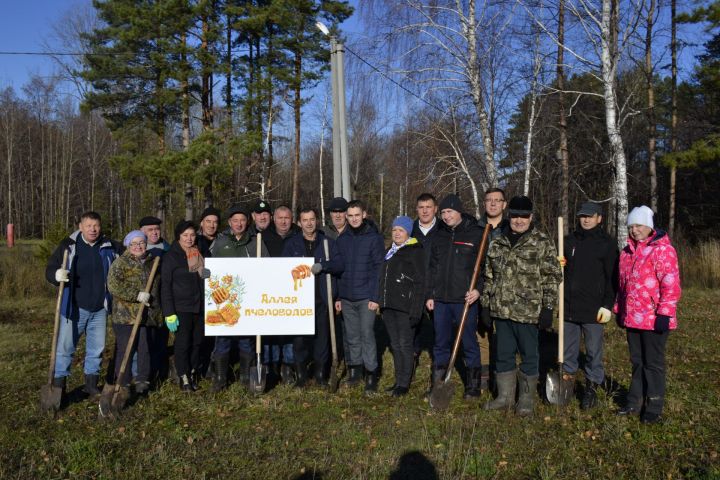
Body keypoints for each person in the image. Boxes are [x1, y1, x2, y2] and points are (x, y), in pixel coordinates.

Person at [481, 196, 562, 416]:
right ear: (510, 216)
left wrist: (547, 309)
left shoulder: (541, 242)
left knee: (529, 355)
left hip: (528, 313)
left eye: (523, 216)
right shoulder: (497, 241)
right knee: (503, 354)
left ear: (531, 217)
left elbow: (552, 277)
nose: (519, 220)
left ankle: (526, 399)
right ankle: (505, 397)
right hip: (502, 311)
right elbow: (489, 276)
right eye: (515, 216)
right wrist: (486, 306)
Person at [614, 206, 681, 424]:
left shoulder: (663, 250)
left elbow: (671, 285)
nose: (634, 230)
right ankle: (634, 402)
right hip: (633, 318)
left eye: (639, 226)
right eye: (631, 226)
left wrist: (665, 313)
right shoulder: (626, 252)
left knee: (653, 363)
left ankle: (654, 406)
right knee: (637, 362)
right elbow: (622, 286)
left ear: (649, 227)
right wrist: (619, 309)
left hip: (654, 319)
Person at [45, 211, 120, 399]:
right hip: (74, 308)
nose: (93, 230)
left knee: (96, 349)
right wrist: (56, 275)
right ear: (81, 227)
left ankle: (91, 385)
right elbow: (50, 268)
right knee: (65, 348)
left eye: (96, 226)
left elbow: (133, 254)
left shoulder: (109, 246)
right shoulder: (69, 245)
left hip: (99, 308)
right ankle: (59, 387)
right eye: (88, 226)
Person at [425, 194, 484, 400]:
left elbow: (485, 268)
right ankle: (439, 384)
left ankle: (473, 386)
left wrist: (478, 290)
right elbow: (432, 268)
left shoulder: (476, 234)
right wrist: (430, 294)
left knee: (469, 342)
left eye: (449, 212)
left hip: (464, 299)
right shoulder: (438, 235)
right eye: (442, 213)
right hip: (440, 299)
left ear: (459, 211)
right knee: (440, 343)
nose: (446, 216)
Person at [561, 202, 618, 409]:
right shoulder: (568, 241)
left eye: (590, 216)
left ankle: (591, 389)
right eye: (582, 216)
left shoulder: (607, 244)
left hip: (595, 309)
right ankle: (566, 387)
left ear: (599, 218)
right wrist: (558, 263)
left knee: (593, 351)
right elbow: (559, 272)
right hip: (569, 307)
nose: (585, 219)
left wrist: (607, 305)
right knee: (568, 351)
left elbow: (613, 278)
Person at [209, 203, 270, 392]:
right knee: (223, 339)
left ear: (247, 222)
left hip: (248, 298)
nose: (239, 224)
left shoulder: (255, 241)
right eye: (235, 220)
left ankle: (245, 376)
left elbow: (267, 266)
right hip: (224, 299)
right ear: (229, 223)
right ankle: (220, 378)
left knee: (246, 339)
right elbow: (211, 268)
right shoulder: (220, 242)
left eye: (242, 220)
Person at [282, 207, 344, 387]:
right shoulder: (292, 244)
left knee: (321, 339)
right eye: (305, 220)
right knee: (300, 340)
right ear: (299, 223)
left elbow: (339, 264)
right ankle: (301, 375)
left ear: (316, 221)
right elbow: (283, 269)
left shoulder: (327, 243)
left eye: (312, 219)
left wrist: (324, 265)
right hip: (299, 300)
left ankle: (320, 375)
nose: (309, 223)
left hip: (321, 299)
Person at [335, 200, 385, 394]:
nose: (354, 219)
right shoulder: (342, 239)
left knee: (367, 334)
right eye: (351, 215)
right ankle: (355, 372)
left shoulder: (374, 238)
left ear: (364, 214)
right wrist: (338, 297)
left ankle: (371, 373)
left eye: (357, 215)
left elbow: (378, 268)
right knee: (352, 336)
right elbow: (339, 270)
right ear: (347, 217)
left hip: (366, 297)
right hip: (347, 296)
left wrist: (375, 297)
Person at [106, 230, 162, 394]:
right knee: (126, 349)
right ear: (128, 245)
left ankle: (142, 380)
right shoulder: (121, 263)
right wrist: (136, 295)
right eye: (134, 243)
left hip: (146, 315)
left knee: (145, 348)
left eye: (141, 243)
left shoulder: (153, 261)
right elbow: (114, 286)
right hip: (125, 316)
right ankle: (122, 382)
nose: (138, 246)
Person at [378, 216, 426, 397]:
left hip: (405, 307)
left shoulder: (414, 251)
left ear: (408, 233)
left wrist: (416, 309)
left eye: (401, 230)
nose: (397, 233)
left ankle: (404, 383)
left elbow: (420, 282)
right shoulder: (389, 251)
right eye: (394, 230)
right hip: (388, 305)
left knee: (405, 344)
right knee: (395, 344)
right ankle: (398, 380)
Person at [161, 220, 210, 392]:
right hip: (181, 308)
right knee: (183, 343)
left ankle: (193, 371)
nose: (189, 239)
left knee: (198, 342)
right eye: (185, 235)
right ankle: (183, 376)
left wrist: (209, 273)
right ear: (178, 237)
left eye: (192, 235)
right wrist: (169, 312)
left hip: (199, 306)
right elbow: (165, 286)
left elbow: (206, 277)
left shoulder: (199, 253)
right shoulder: (170, 257)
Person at [476, 188, 509, 391]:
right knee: (482, 330)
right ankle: (484, 373)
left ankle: (502, 373)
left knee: (504, 332)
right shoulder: (475, 227)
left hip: (506, 287)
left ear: (504, 204)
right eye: (489, 200)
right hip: (481, 284)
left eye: (497, 200)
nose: (493, 204)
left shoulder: (511, 227)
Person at [410, 193, 439, 379]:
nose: (425, 210)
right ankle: (411, 361)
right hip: (415, 288)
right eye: (421, 207)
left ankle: (439, 367)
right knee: (412, 327)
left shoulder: (443, 230)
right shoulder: (410, 230)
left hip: (436, 287)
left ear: (435, 208)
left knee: (440, 329)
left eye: (428, 207)